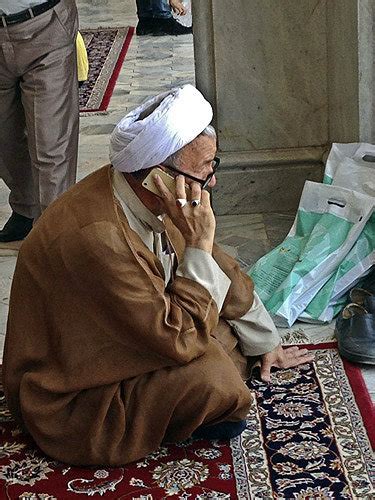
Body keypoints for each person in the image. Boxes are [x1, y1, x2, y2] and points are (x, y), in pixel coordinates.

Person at [3, 84, 314, 466]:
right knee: (216, 379)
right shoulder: (101, 239)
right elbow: (178, 339)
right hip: (72, 397)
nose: (212, 182)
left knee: (223, 333)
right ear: (158, 177)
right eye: (204, 171)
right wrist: (198, 248)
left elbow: (222, 272)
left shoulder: (143, 195)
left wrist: (265, 340)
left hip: (144, 333)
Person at [0, 0, 79, 243]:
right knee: (4, 137)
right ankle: (26, 207)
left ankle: (54, 237)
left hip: (45, 26)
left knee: (51, 142)